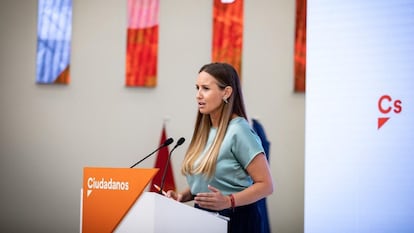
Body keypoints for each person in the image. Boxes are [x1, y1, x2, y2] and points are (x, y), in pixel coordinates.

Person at [166, 62, 274, 233]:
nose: (198, 95)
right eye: (197, 88)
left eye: (206, 88)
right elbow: (208, 180)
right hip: (203, 217)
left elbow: (266, 185)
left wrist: (229, 201)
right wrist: (182, 196)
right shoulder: (206, 130)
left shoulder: (239, 131)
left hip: (236, 219)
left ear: (226, 92)